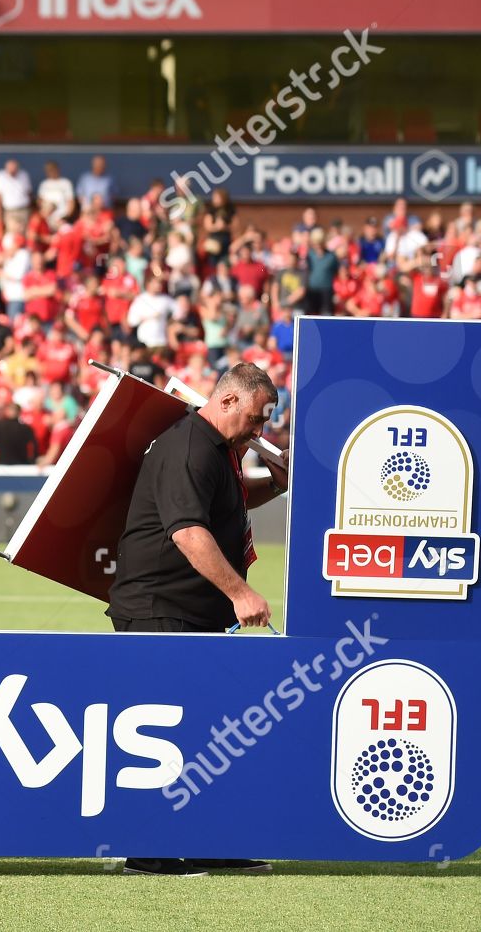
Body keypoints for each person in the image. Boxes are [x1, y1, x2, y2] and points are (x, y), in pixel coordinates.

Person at [106, 363, 287, 877]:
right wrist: (240, 592)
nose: (259, 432)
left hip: (187, 611)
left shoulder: (216, 450)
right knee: (159, 732)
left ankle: (206, 841)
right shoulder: (189, 446)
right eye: (255, 419)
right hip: (160, 609)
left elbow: (224, 508)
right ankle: (149, 851)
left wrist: (275, 485)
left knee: (206, 730)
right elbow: (188, 531)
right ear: (228, 401)